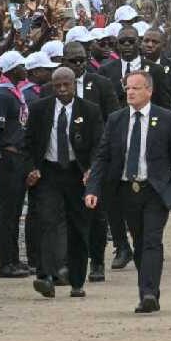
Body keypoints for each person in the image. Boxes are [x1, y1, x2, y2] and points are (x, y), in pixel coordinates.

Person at [85, 71, 171, 314]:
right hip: (126, 190)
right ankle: (148, 289)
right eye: (127, 88)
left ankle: (148, 293)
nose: (130, 92)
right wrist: (93, 188)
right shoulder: (116, 120)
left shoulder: (167, 119)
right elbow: (102, 157)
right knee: (139, 241)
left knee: (152, 240)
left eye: (136, 88)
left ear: (149, 91)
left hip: (155, 190)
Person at [24, 67, 103, 299]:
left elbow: (99, 144)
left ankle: (77, 281)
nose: (61, 90)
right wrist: (31, 168)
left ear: (74, 84)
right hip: (48, 173)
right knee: (47, 221)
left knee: (78, 226)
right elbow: (28, 142)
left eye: (66, 85)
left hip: (77, 174)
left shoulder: (89, 110)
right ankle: (46, 276)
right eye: (57, 85)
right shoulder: (40, 109)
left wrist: (91, 169)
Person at [59, 41, 120, 282]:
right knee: (67, 213)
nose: (78, 65)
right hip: (65, 160)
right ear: (63, 61)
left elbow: (114, 119)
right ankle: (69, 263)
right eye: (73, 60)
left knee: (96, 213)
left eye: (82, 60)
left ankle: (97, 261)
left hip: (95, 157)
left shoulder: (101, 84)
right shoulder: (55, 87)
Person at [0, 50, 31, 279]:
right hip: (8, 158)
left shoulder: (15, 93)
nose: (25, 69)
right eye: (21, 66)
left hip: (19, 156)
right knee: (9, 211)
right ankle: (6, 262)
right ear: (13, 70)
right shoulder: (3, 96)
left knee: (15, 211)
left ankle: (14, 258)